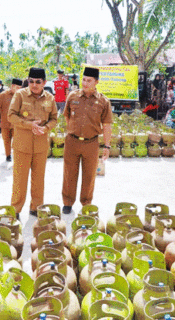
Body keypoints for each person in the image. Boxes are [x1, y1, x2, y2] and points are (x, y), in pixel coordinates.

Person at [62, 67, 112, 214]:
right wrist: (73, 129)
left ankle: (86, 203)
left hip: (91, 142)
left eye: (89, 80)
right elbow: (66, 116)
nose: (85, 83)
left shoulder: (103, 101)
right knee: (69, 173)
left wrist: (107, 146)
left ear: (96, 82)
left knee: (89, 175)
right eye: (83, 79)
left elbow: (107, 125)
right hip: (72, 141)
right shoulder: (72, 96)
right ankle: (68, 202)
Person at [8, 67, 58, 218]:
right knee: (20, 179)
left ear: (44, 82)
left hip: (41, 146)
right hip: (22, 145)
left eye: (38, 82)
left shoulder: (50, 98)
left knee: (38, 180)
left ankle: (36, 207)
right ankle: (15, 209)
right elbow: (10, 115)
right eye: (31, 81)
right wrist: (30, 125)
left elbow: (54, 118)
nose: (34, 85)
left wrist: (47, 127)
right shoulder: (20, 95)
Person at [0, 78, 23, 162]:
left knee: (17, 140)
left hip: (17, 123)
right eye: (18, 87)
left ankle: (16, 155)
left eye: (20, 87)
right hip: (5, 123)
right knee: (6, 140)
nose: (19, 89)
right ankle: (8, 155)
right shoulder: (3, 95)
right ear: (12, 86)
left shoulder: (21, 95)